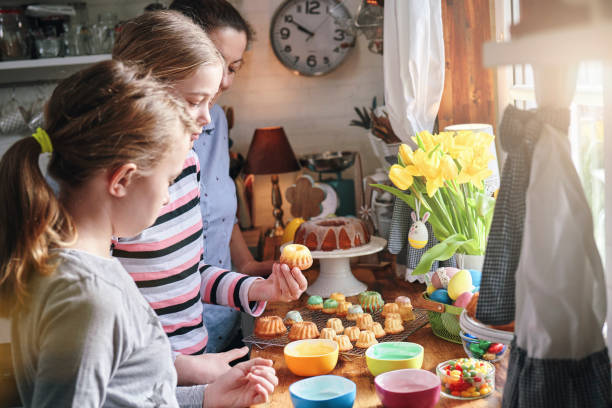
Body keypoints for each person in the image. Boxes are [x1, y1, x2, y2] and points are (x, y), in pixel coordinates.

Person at [0, 60, 277, 407]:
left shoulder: (75, 270)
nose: (167, 196)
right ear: (122, 180)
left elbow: (128, 396)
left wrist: (203, 398)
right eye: (168, 180)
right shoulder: (89, 299)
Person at [111, 10, 307, 387]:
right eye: (194, 101)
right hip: (144, 382)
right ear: (141, 91)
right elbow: (107, 333)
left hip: (197, 368)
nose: (206, 119)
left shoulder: (186, 167)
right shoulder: (117, 192)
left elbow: (191, 274)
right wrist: (184, 370)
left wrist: (258, 288)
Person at [169, 0, 274, 355]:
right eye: (216, 63)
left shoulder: (215, 119)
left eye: (234, 67)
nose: (225, 81)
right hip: (172, 338)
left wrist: (245, 266)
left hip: (221, 312)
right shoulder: (147, 144)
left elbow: (216, 204)